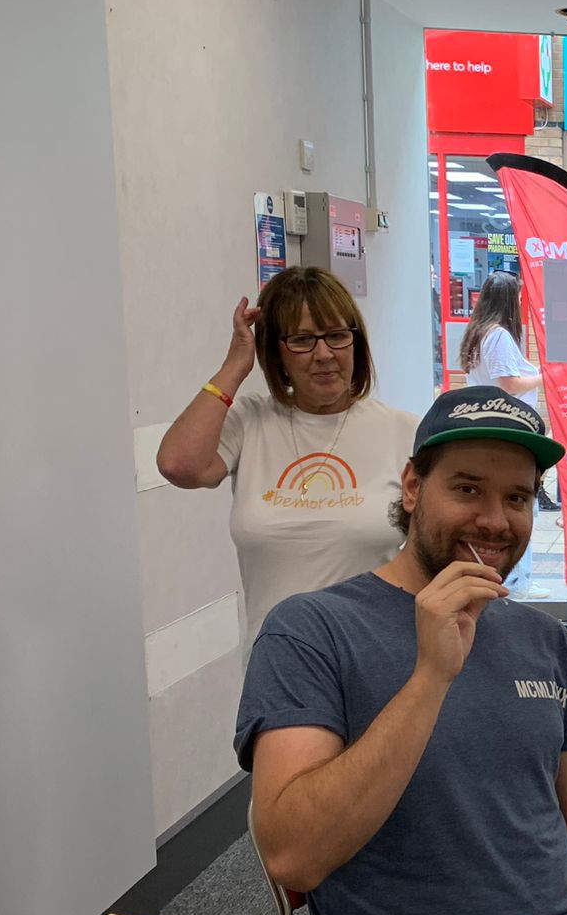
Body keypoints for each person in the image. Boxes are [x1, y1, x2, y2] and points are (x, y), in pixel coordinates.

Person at [236, 386, 567, 915]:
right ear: (412, 487)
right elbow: (294, 857)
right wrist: (430, 676)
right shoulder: (312, 630)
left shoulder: (546, 640)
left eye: (517, 498)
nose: (494, 521)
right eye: (467, 489)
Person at [157, 268, 418, 639]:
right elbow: (178, 464)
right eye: (302, 340)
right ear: (275, 353)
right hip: (277, 668)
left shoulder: (404, 431)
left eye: (337, 336)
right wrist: (235, 365)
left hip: (376, 661)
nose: (324, 353)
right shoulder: (250, 422)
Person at [459, 272, 553, 597]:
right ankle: (516, 581)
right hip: (508, 427)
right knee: (519, 505)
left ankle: (507, 579)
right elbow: (509, 383)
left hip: (491, 426)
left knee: (498, 505)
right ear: (510, 301)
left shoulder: (478, 332)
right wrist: (545, 377)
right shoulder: (497, 336)